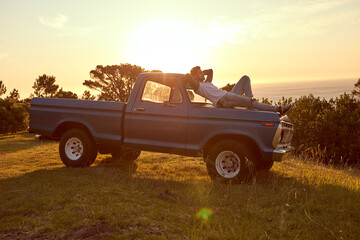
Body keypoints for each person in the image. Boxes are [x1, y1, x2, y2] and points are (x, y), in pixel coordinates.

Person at [184, 66, 294, 115]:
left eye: (202, 72)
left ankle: (249, 101)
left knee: (245, 78)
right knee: (251, 102)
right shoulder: (197, 87)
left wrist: (200, 71)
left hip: (229, 95)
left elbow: (211, 71)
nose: (203, 73)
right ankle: (279, 109)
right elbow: (189, 76)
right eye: (200, 73)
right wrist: (193, 75)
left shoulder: (206, 82)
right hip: (224, 100)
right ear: (195, 76)